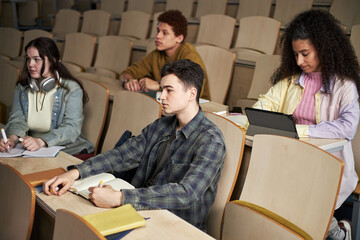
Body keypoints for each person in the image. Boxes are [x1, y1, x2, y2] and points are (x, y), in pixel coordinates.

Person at [43, 59, 226, 231]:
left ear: (191, 94)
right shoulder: (160, 126)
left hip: (176, 226)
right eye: (161, 89)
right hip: (141, 210)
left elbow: (186, 193)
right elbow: (122, 155)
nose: (161, 96)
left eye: (169, 90)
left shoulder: (211, 141)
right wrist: (74, 173)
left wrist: (120, 197)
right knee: (76, 221)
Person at [250, 10, 360, 240]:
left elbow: (347, 127)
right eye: (295, 54)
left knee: (295, 194)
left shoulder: (345, 86)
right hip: (292, 157)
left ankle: (337, 234)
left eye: (305, 53)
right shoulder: (290, 81)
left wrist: (300, 131)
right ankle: (333, 232)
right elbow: (263, 105)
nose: (299, 61)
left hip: (328, 164)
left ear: (323, 48)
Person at [0, 37, 94, 155]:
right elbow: (17, 118)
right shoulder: (22, 87)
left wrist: (41, 141)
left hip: (64, 147)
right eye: (28, 59)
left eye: (36, 60)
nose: (30, 64)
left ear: (53, 60)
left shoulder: (72, 89)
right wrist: (12, 139)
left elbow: (71, 128)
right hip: (30, 147)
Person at [120, 9, 211, 100]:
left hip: (196, 107)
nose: (157, 36)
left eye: (164, 33)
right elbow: (127, 73)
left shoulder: (188, 53)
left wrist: (159, 85)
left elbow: (193, 86)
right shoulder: (156, 55)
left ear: (179, 38)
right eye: (158, 31)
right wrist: (128, 81)